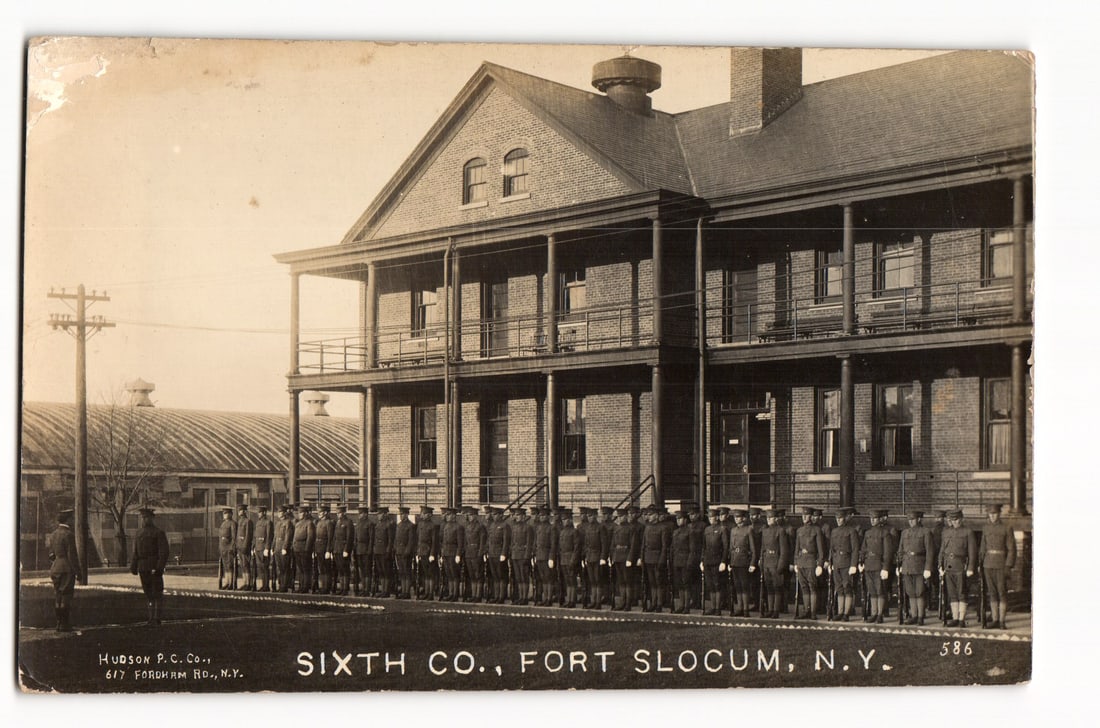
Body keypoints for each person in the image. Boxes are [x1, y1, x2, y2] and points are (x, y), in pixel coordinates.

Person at [129, 507, 170, 626]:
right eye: (143, 518)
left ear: (152, 518)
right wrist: (133, 566)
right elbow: (136, 552)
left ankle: (156, 618)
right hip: (143, 567)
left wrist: (159, 568)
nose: (144, 520)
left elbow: (164, 552)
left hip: (154, 567)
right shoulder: (139, 533)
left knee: (157, 593)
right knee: (148, 594)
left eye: (147, 517)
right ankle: (150, 617)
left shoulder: (158, 533)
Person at [979, 503, 1016, 629]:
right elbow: (983, 547)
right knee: (992, 592)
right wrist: (980, 563)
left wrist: (1008, 565)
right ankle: (994, 620)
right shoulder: (985, 528)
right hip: (988, 564)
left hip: (1001, 564)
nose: (992, 516)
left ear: (999, 514)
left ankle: (1001, 621)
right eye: (990, 514)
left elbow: (1011, 549)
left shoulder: (1006, 528)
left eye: (994, 514)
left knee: (1002, 593)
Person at [938, 509, 978, 627]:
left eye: (957, 520)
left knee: (962, 592)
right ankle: (955, 618)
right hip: (948, 566)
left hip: (960, 565)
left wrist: (970, 567)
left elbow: (972, 552)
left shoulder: (968, 532)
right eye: (952, 520)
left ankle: (961, 619)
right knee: (952, 593)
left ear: (962, 519)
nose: (955, 522)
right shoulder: (945, 532)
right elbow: (942, 550)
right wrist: (940, 565)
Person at [896, 510, 935, 625]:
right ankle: (913, 615)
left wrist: (928, 568)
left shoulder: (926, 532)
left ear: (919, 519)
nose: (911, 522)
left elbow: (930, 551)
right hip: (907, 565)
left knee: (920, 591)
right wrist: (899, 565)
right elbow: (900, 550)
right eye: (909, 520)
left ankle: (920, 616)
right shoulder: (905, 533)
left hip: (920, 565)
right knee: (910, 592)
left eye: (913, 519)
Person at [47, 508, 81, 632]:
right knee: (66, 596)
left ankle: (58, 623)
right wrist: (78, 572)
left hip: (55, 567)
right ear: (68, 519)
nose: (72, 520)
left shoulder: (53, 534)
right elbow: (72, 556)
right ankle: (65, 624)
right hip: (66, 567)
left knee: (58, 596)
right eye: (71, 518)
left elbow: (51, 555)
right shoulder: (69, 534)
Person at [859, 509, 894, 623]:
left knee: (880, 590)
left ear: (879, 520)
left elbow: (888, 552)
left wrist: (885, 568)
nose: (872, 520)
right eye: (871, 518)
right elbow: (863, 549)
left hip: (879, 565)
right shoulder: (867, 533)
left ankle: (880, 614)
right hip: (869, 564)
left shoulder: (885, 533)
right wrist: (861, 562)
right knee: (872, 590)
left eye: (874, 518)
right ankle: (874, 613)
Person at [828, 507, 861, 621]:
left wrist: (853, 565)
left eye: (840, 518)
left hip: (847, 562)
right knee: (839, 588)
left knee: (847, 588)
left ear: (845, 519)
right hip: (837, 562)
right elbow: (831, 549)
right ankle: (840, 612)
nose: (838, 520)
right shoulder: (834, 531)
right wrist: (831, 562)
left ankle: (846, 613)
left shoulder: (851, 531)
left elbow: (855, 549)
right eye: (837, 518)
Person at [793, 506, 826, 619]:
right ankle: (806, 610)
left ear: (811, 517)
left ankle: (813, 612)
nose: (804, 517)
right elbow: (796, 549)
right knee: (804, 587)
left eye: (806, 515)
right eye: (803, 515)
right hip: (801, 562)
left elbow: (821, 550)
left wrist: (820, 564)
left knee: (812, 587)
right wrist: (796, 562)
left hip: (811, 562)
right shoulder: (799, 530)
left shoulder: (817, 530)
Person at [759, 509, 790, 619]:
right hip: (767, 562)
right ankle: (770, 609)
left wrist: (780, 566)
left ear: (776, 519)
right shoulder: (765, 531)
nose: (768, 520)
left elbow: (784, 551)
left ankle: (776, 610)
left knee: (777, 587)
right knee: (769, 587)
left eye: (771, 518)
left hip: (776, 562)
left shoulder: (780, 531)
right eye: (767, 518)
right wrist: (761, 562)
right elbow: (762, 548)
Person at [727, 509, 757, 617]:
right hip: (735, 561)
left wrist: (752, 563)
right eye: (735, 517)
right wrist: (729, 562)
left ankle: (745, 609)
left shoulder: (749, 530)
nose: (736, 519)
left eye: (738, 517)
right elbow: (731, 548)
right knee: (737, 586)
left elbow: (753, 549)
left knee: (744, 586)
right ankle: (739, 608)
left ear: (744, 518)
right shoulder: (733, 530)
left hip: (744, 561)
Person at [700, 508, 729, 615]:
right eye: (709, 517)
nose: (711, 519)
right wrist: (702, 560)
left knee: (717, 584)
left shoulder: (722, 529)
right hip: (708, 560)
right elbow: (704, 546)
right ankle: (712, 607)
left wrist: (723, 561)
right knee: (710, 585)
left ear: (717, 517)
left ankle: (718, 608)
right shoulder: (707, 530)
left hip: (717, 561)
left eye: (713, 517)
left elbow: (725, 547)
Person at [291, 504, 316, 593]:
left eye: (301, 513)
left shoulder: (309, 523)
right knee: (300, 569)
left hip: (304, 549)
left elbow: (310, 537)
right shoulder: (298, 524)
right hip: (297, 548)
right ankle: (301, 586)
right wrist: (294, 546)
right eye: (298, 513)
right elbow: (295, 536)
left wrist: (307, 549)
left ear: (305, 513)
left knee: (306, 569)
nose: (299, 514)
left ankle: (306, 587)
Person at [332, 503, 355, 595]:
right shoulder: (337, 522)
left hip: (343, 549)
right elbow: (335, 537)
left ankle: (346, 588)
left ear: (344, 513)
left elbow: (349, 537)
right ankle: (341, 588)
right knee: (340, 569)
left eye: (340, 513)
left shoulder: (348, 522)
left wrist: (346, 550)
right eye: (337, 513)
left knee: (345, 569)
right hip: (337, 549)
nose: (338, 514)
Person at [274, 504, 295, 593]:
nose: (279, 514)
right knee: (280, 567)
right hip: (277, 547)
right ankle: (281, 584)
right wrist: (273, 547)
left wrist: (285, 547)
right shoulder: (278, 523)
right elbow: (275, 537)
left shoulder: (288, 522)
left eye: (281, 512)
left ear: (285, 513)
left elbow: (288, 536)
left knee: (285, 567)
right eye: (278, 512)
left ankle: (285, 585)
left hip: (283, 547)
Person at [253, 504, 274, 592]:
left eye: (260, 512)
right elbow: (255, 536)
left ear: (264, 513)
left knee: (265, 567)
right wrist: (253, 547)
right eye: (258, 512)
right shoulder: (258, 523)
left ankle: (266, 586)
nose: (259, 514)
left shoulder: (268, 522)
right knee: (260, 567)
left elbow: (269, 536)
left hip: (264, 547)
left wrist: (267, 548)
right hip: (258, 547)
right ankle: (262, 585)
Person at [235, 503, 255, 590]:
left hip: (244, 546)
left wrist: (245, 546)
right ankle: (244, 582)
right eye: (239, 510)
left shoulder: (248, 521)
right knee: (242, 565)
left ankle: (248, 583)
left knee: (246, 565)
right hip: (239, 546)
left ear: (245, 511)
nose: (240, 512)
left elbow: (248, 535)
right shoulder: (239, 521)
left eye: (241, 510)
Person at [217, 506, 236, 590]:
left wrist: (232, 547)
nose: (224, 515)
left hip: (229, 547)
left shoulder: (232, 523)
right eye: (224, 513)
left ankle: (231, 583)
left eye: (226, 513)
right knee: (225, 566)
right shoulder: (223, 524)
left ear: (231, 514)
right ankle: (227, 582)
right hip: (223, 547)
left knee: (230, 565)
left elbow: (234, 537)